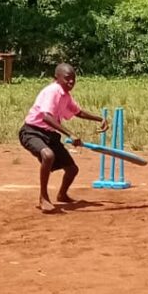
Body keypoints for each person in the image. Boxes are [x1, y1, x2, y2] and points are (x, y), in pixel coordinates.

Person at [19, 63, 109, 213]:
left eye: (74, 79)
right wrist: (70, 134)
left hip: (50, 135)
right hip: (32, 131)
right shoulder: (52, 91)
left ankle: (62, 194)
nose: (71, 82)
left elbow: (78, 112)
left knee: (72, 169)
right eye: (67, 78)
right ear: (57, 78)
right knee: (48, 155)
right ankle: (43, 197)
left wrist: (100, 119)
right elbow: (47, 117)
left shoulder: (65, 96)